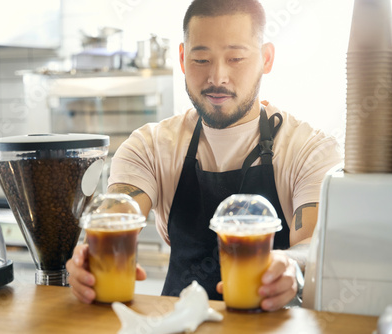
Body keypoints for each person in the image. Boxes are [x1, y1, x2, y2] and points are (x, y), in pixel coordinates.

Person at [66, 0, 342, 311]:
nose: (217, 77)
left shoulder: (309, 149)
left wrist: (290, 263)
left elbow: (314, 246)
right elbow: (116, 216)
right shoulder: (150, 146)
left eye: (235, 58)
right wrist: (88, 255)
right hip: (175, 325)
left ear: (266, 58)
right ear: (183, 59)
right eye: (201, 59)